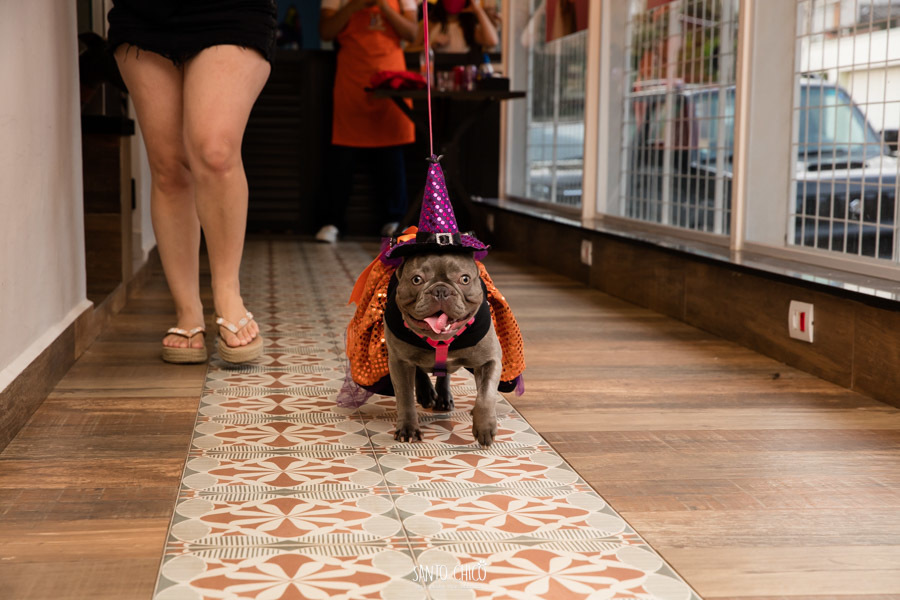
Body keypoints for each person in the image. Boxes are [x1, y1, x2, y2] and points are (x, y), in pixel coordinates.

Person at [107, 0, 277, 364]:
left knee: (215, 150)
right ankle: (187, 310)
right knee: (169, 166)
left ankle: (228, 293)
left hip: (232, 9)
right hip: (145, 14)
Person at [316, 0, 417, 244]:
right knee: (342, 158)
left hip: (391, 79)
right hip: (352, 78)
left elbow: (412, 33)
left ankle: (396, 220)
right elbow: (326, 31)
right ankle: (332, 221)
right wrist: (355, 6)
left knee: (392, 155)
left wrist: (382, 5)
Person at [419, 0, 499, 56]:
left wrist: (478, 10)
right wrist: (432, 46)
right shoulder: (430, 23)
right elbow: (411, 51)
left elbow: (492, 41)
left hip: (463, 78)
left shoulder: (469, 28)